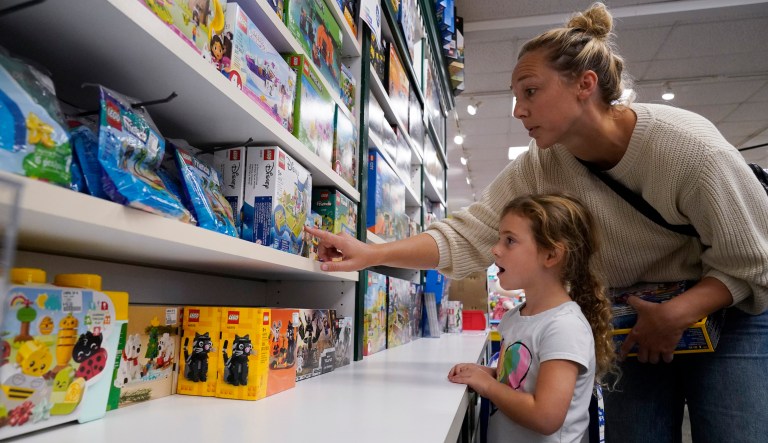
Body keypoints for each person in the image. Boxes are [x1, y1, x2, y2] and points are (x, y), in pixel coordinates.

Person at [305, 2, 768, 441]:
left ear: (585, 84)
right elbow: (472, 231)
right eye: (515, 96)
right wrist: (373, 254)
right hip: (632, 323)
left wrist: (677, 313)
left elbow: (752, 261)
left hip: (729, 315)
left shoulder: (688, 151)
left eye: (531, 91)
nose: (518, 110)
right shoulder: (545, 162)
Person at [448, 193, 616, 442]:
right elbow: (521, 380)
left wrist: (489, 387)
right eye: (499, 239)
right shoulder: (516, 316)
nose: (495, 249)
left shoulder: (564, 328)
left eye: (510, 241)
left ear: (551, 255)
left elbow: (545, 416)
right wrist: (489, 374)